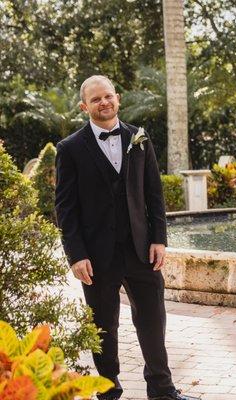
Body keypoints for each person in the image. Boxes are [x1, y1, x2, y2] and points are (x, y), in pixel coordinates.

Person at [55, 75, 197, 400]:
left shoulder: (140, 138)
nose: (103, 103)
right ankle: (108, 391)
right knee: (104, 327)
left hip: (141, 250)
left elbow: (154, 194)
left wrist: (159, 238)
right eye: (96, 99)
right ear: (84, 106)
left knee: (152, 320)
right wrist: (76, 255)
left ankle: (161, 389)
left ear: (117, 98)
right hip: (96, 255)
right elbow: (66, 208)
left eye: (108, 96)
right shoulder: (70, 149)